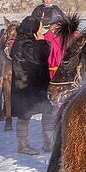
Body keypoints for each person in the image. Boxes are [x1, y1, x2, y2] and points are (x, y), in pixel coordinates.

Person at [8, 16, 53, 154]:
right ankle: (23, 145)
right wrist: (42, 42)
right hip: (27, 85)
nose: (41, 30)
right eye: (39, 27)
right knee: (25, 114)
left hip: (36, 85)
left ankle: (49, 143)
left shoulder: (24, 41)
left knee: (47, 111)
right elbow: (39, 56)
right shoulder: (24, 43)